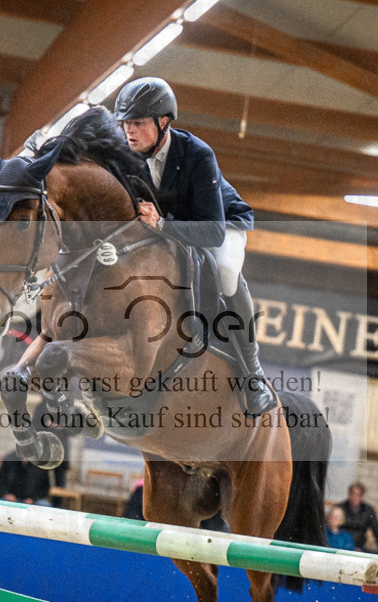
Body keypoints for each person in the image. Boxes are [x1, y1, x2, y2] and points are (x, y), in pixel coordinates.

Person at [113, 77, 275, 417]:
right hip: (165, 226)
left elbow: (212, 233)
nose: (129, 132)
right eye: (125, 124)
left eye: (138, 123)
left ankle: (253, 375)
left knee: (227, 273)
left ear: (163, 121)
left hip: (218, 224)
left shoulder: (198, 154)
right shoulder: (123, 154)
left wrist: (162, 225)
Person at [339, 482, 378, 553]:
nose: (355, 497)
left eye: (358, 495)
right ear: (349, 495)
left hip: (359, 546)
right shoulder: (341, 508)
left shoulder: (368, 510)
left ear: (361, 497)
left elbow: (377, 530)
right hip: (342, 545)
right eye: (353, 494)